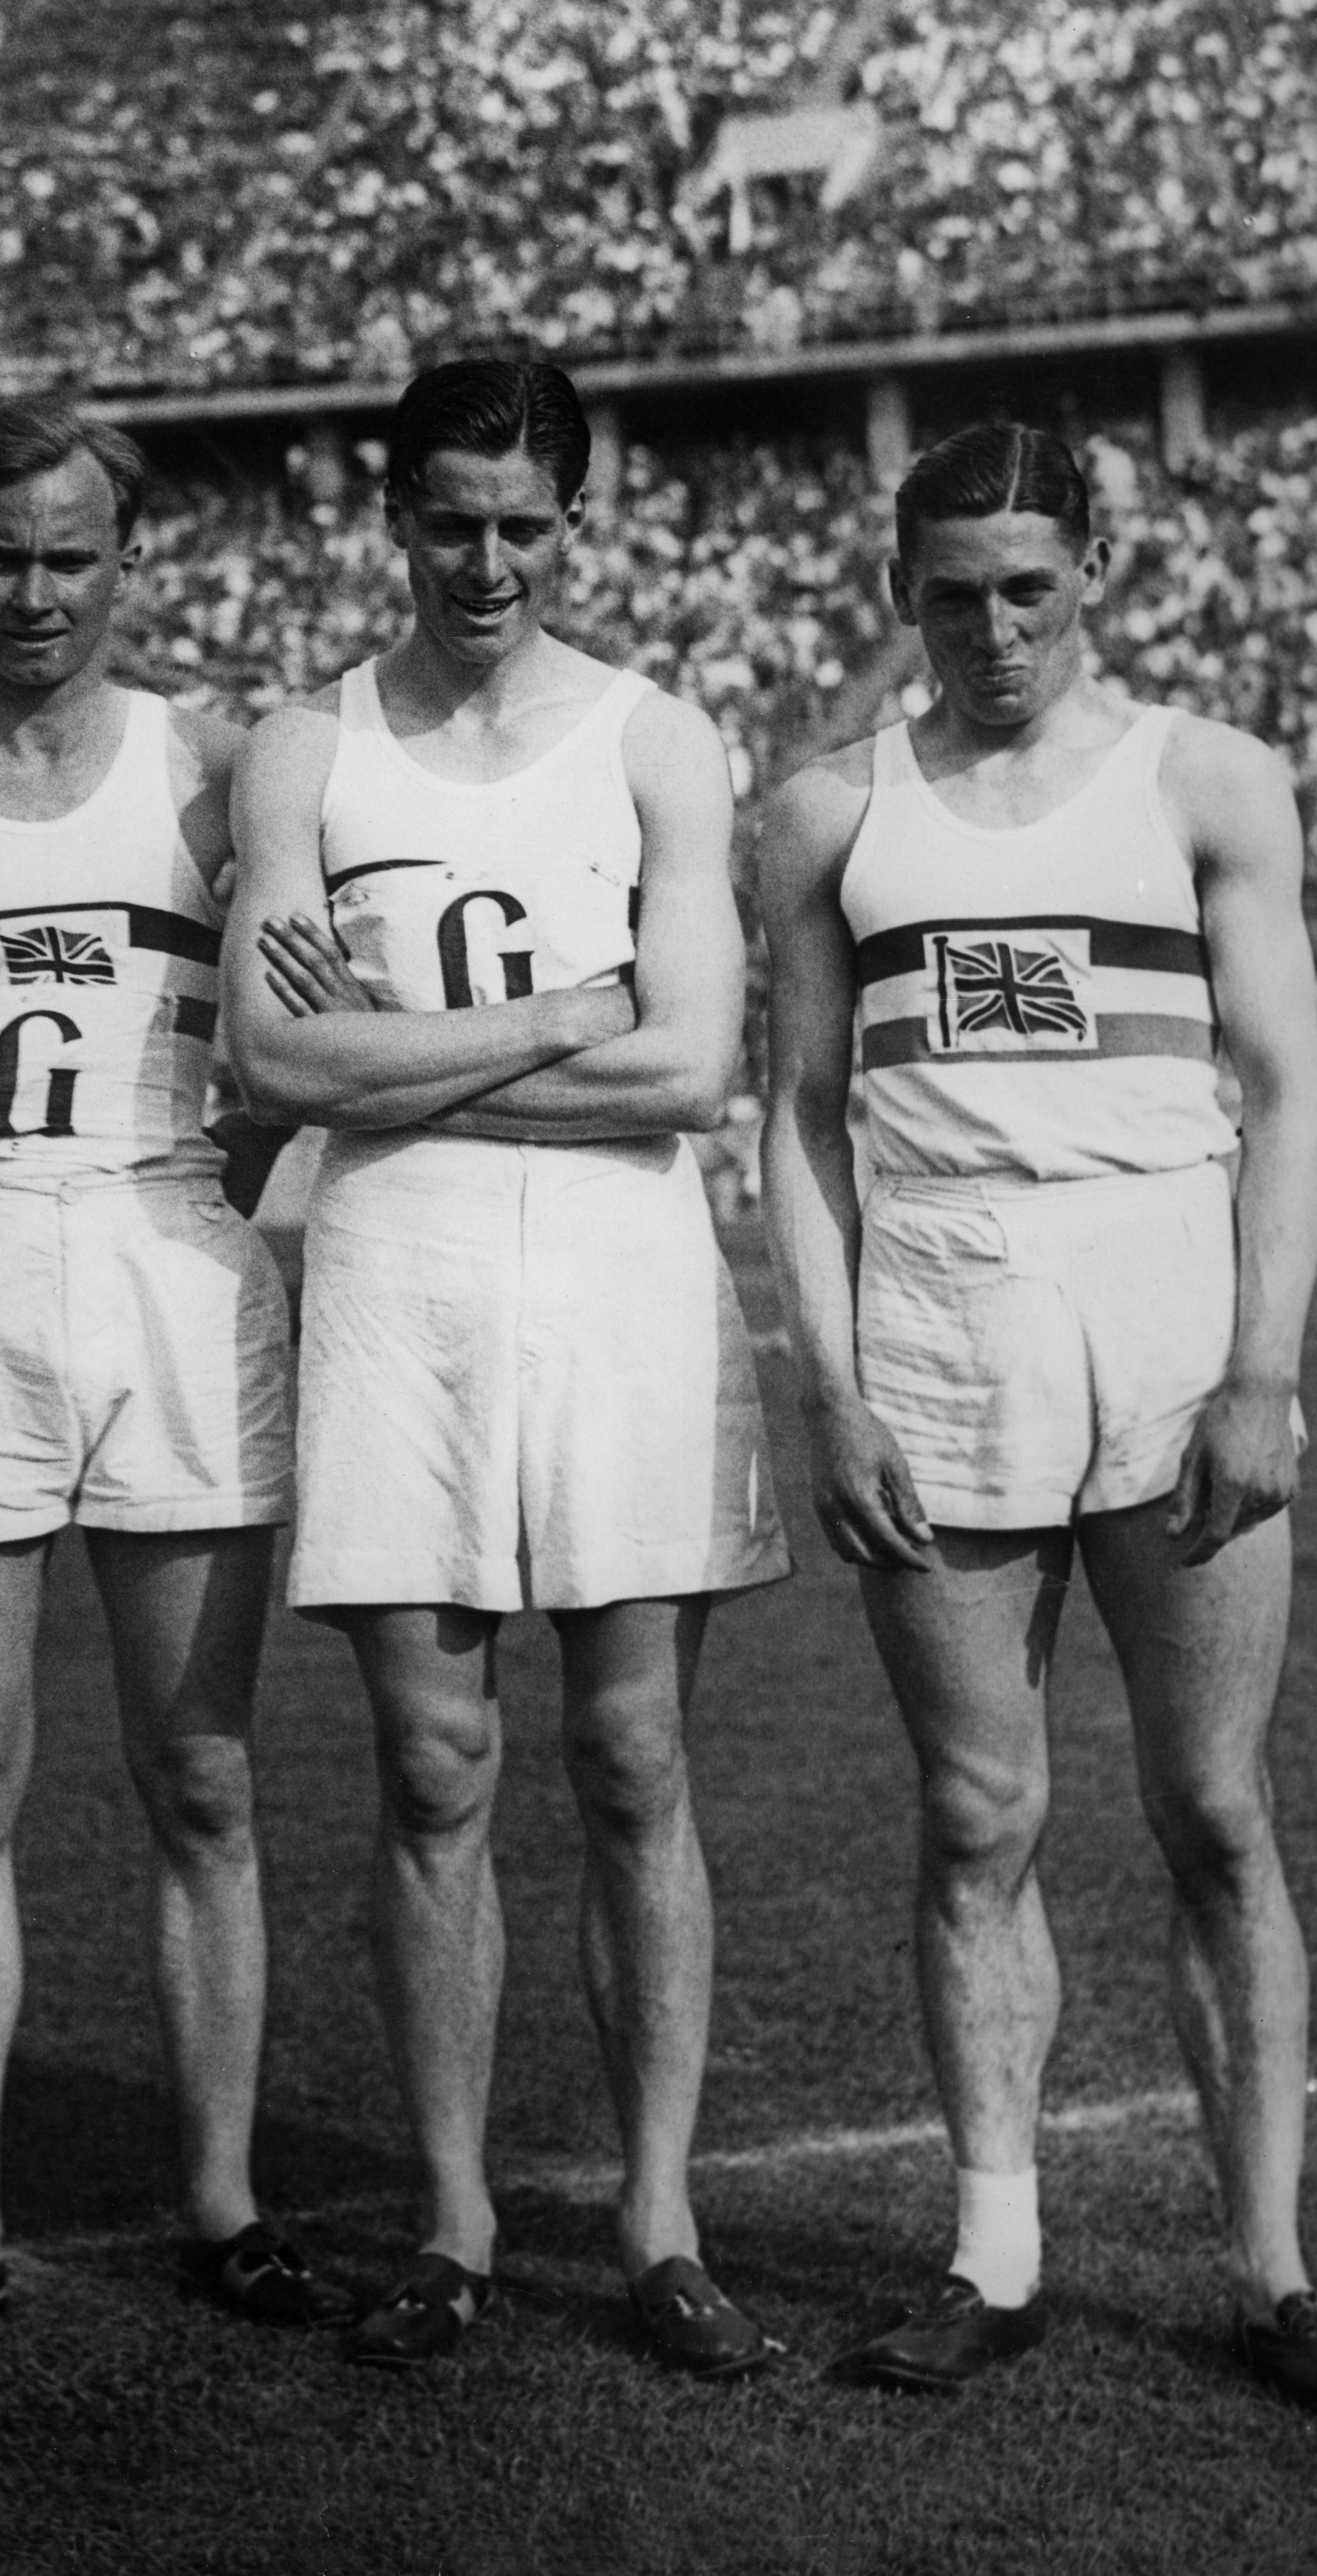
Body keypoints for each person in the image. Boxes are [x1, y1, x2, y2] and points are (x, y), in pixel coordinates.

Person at [759, 420, 1317, 2413]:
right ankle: (993, 2246)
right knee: (976, 1811)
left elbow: (1284, 1084)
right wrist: (833, 1375)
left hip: (1160, 1288)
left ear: (1090, 576)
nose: (989, 626)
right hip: (942, 1304)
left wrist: (1262, 1359)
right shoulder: (825, 811)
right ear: (899, 591)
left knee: (1210, 1806)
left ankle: (1271, 2266)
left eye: (1026, 585)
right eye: (949, 591)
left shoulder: (1204, 778)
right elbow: (788, 1113)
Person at [225, 358, 788, 2375]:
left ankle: (655, 2214)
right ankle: (454, 2212)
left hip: (622, 1279)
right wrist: (567, 1003)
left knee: (632, 1751)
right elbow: (273, 1064)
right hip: (395, 1282)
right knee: (433, 1761)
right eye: (450, 518)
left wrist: (411, 1050)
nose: (487, 559)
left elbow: (697, 1068)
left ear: (575, 522)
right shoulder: (306, 748)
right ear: (392, 514)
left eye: (523, 523)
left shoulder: (655, 739)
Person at [0, 397, 343, 2359]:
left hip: (168, 1264)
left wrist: (250, 1215)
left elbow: (313, 1038)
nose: (37, 591)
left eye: (71, 554)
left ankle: (224, 2196)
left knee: (199, 1767)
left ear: (128, 558)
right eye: (1, 556)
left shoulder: (214, 769)